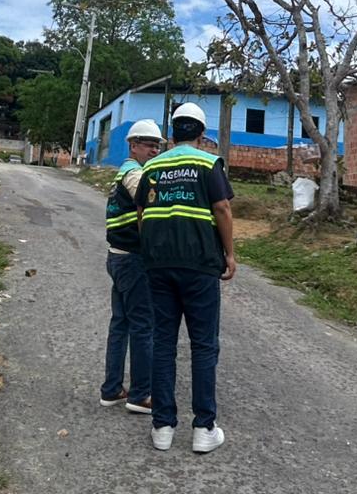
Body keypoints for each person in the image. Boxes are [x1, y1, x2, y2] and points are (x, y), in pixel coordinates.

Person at [136, 102, 235, 454]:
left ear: (172, 130)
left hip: (158, 265)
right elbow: (222, 208)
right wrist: (230, 253)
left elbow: (142, 213)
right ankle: (203, 428)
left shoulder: (153, 165)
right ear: (202, 133)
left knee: (163, 342)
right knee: (204, 345)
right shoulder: (209, 163)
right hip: (200, 265)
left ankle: (162, 427)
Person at [99, 119, 165, 414]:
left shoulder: (121, 173)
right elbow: (151, 205)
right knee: (143, 326)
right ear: (132, 145)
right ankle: (140, 395)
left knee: (121, 323)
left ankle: (112, 389)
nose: (154, 149)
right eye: (149, 144)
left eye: (157, 145)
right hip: (133, 259)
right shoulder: (135, 174)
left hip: (116, 256)